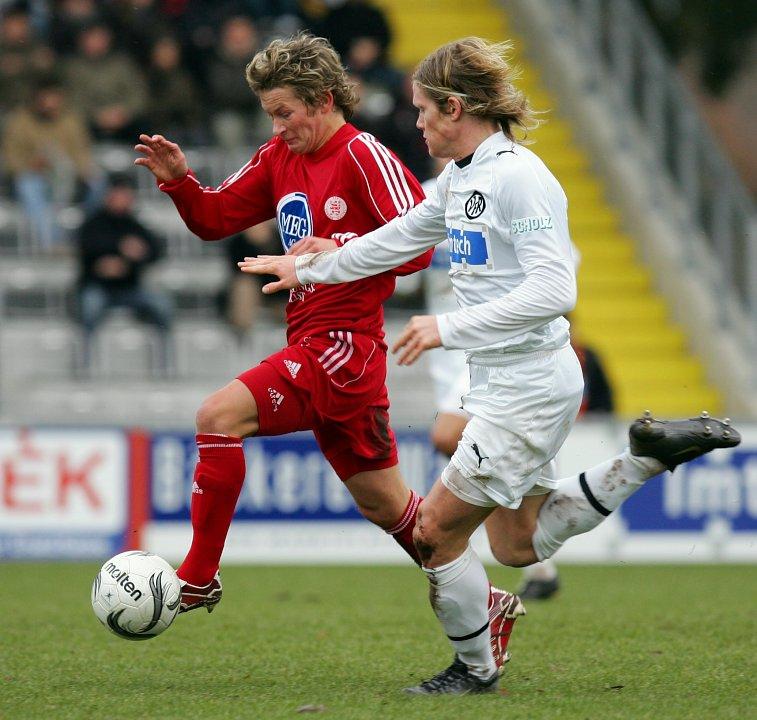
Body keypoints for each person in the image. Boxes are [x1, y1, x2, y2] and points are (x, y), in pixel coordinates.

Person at [239, 36, 741, 695]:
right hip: (505, 381)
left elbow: (554, 291)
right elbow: (399, 238)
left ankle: (474, 670)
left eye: (422, 110)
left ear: (454, 107)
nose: (414, 122)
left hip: (527, 383)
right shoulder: (462, 177)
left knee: (432, 531)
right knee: (515, 545)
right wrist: (310, 263)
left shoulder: (517, 177)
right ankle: (644, 458)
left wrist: (447, 326)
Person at [134, 33, 524, 671]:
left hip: (342, 346)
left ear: (322, 99)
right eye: (269, 114)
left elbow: (421, 248)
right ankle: (485, 602)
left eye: (285, 112)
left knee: (216, 416)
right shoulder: (276, 157)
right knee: (398, 516)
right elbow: (212, 218)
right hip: (316, 347)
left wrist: (333, 244)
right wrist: (181, 183)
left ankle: (199, 575)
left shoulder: (364, 155)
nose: (278, 126)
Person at [76, 172, 172, 371]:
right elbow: (88, 248)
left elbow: (155, 250)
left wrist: (138, 255)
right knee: (89, 308)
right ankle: (85, 365)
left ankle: (165, 366)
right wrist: (119, 250)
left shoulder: (134, 225)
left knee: (162, 305)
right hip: (98, 287)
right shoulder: (93, 223)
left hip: (130, 289)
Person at [1, 75, 97, 251]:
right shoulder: (19, 122)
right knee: (28, 185)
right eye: (46, 98)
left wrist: (78, 170)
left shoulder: (71, 121)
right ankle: (51, 242)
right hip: (34, 177)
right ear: (36, 99)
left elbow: (82, 153)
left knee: (98, 182)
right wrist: (30, 165)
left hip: (68, 178)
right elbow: (10, 158)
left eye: (55, 98)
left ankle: (89, 237)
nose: (50, 103)